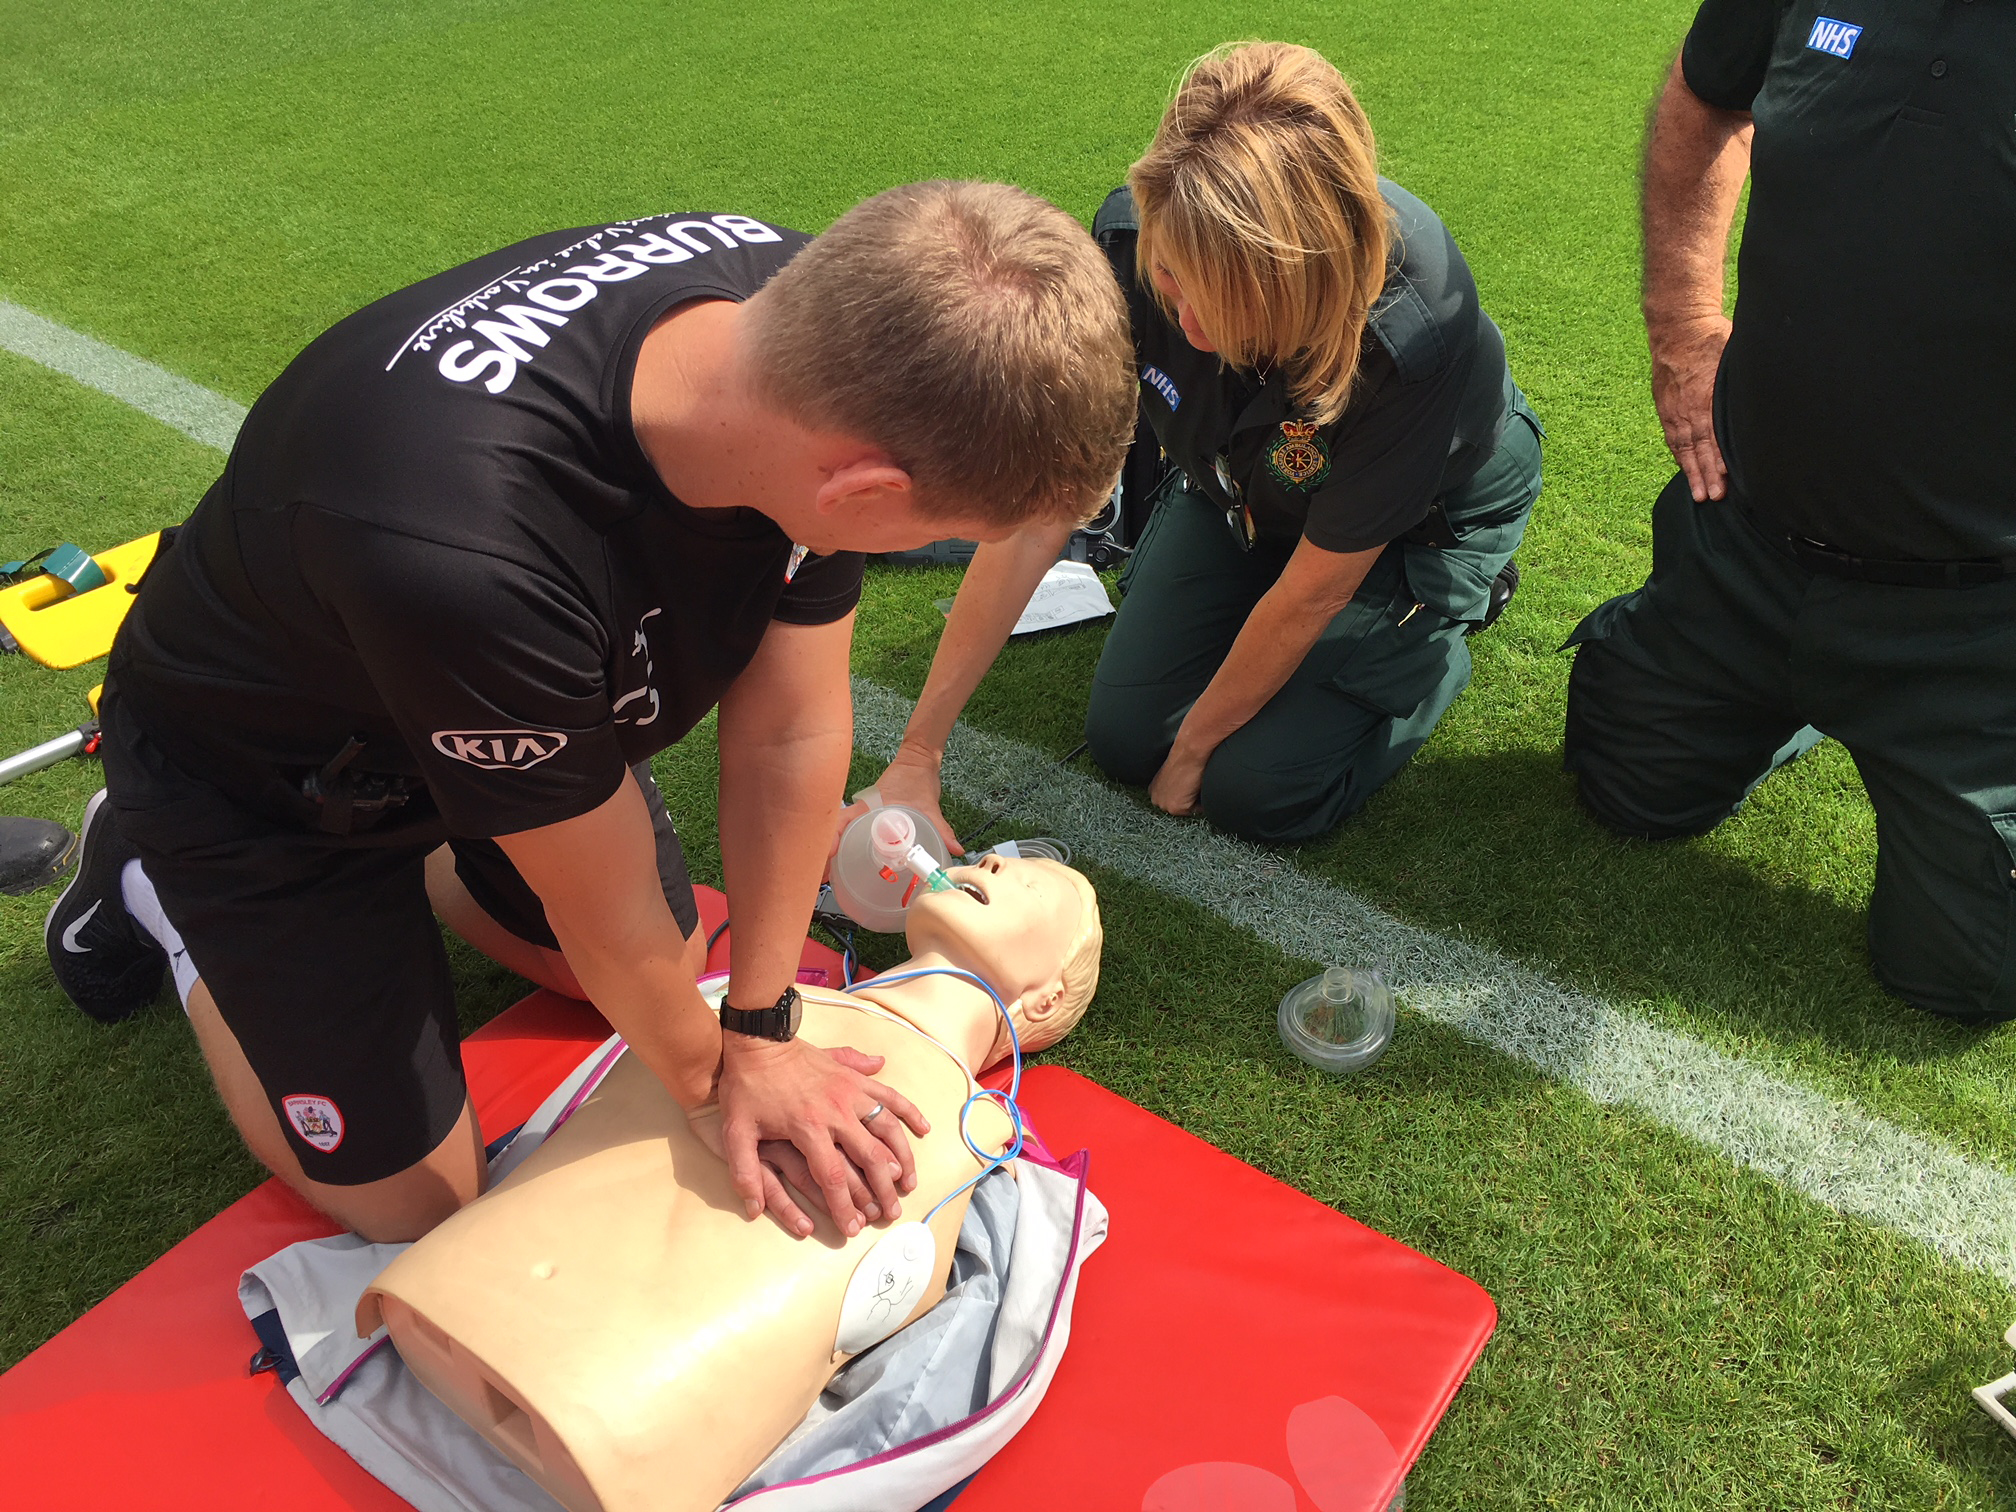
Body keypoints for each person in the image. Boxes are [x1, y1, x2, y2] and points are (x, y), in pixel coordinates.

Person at [41, 185, 1136, 1244]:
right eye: (934, 531)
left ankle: (453, 843)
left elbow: (792, 731)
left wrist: (759, 1025)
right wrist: (726, 1080)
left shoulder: (835, 328)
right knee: (420, 1205)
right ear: (858, 496)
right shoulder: (465, 547)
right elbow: (611, 923)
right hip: (262, 783)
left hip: (481, 707)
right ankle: (156, 879)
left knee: (655, 974)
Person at [861, 42, 1543, 849]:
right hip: (1242, 488)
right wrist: (916, 752)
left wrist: (1190, 754)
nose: (1180, 321)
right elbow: (1044, 513)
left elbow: (1311, 595)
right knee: (1122, 739)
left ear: (1298, 277)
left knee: (1258, 790)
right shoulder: (1132, 245)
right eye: (1170, 276)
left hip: (1418, 521)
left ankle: (1448, 627)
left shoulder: (1410, 334)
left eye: (1214, 296)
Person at [361, 852, 1101, 1512]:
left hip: (614, 1424)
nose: (993, 863)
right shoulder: (753, 995)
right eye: (996, 858)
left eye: (1030, 881)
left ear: (1042, 1000)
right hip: (453, 1298)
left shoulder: (976, 1133)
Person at [1561, 3, 2016, 1022]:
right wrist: (1681, 326)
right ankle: (1796, 690)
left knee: (1961, 976)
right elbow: (1705, 91)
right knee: (1622, 785)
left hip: (1972, 621)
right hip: (1754, 546)